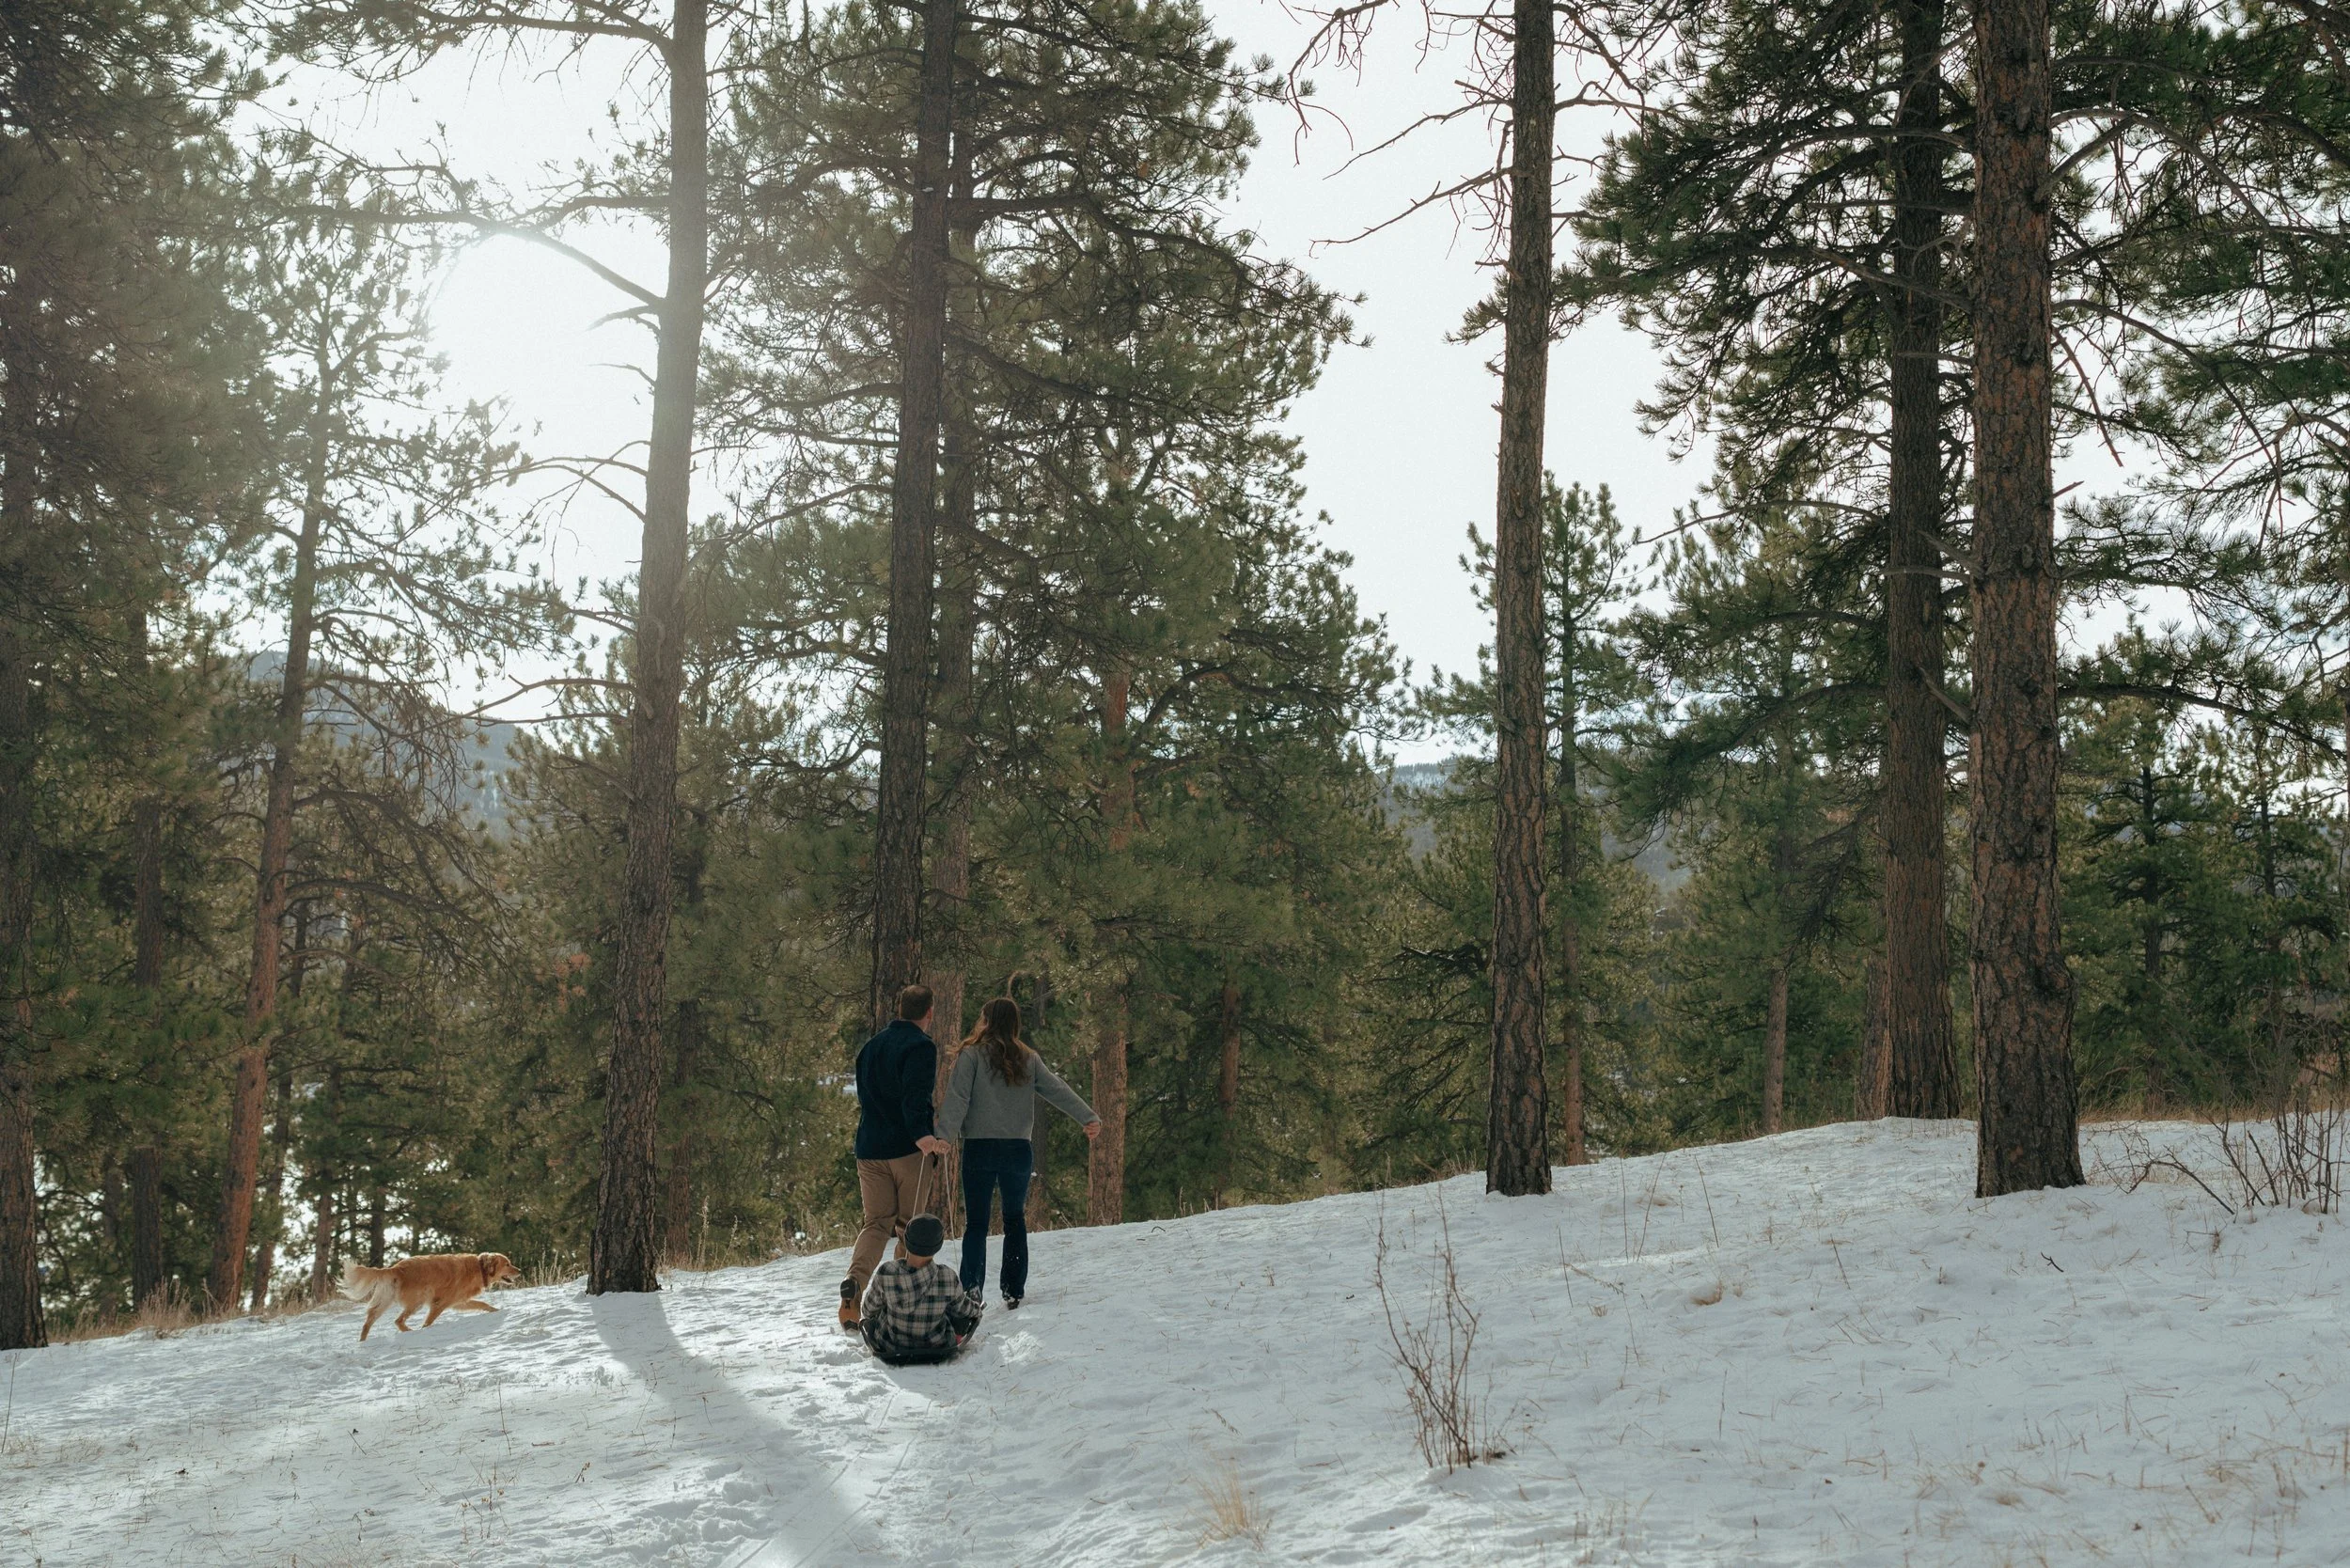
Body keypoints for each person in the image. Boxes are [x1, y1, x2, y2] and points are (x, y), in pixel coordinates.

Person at [935, 996, 1101, 1309]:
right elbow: (1057, 1089)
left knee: (977, 1224)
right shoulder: (1028, 1058)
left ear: (985, 1020)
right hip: (1017, 1149)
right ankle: (1013, 1289)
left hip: (980, 1148)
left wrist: (944, 1136)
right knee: (1014, 1218)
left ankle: (971, 1289)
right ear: (1015, 1024)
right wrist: (1088, 1117)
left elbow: (957, 1097)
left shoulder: (971, 1056)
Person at [841, 983, 951, 1328]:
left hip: (869, 1148)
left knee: (876, 1223)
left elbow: (867, 1098)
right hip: (907, 1149)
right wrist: (924, 1136)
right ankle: (899, 1301)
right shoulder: (921, 1046)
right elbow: (915, 1096)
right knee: (908, 1227)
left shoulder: (870, 1047)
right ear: (929, 1013)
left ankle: (853, 1291)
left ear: (900, 1009)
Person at [858, 1214, 982, 1365]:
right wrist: (977, 1309)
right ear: (938, 1245)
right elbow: (964, 1309)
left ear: (906, 1240)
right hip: (936, 1347)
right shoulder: (947, 1276)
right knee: (951, 1308)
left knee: (881, 1308)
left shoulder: (887, 1272)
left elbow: (868, 1310)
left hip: (890, 1346)